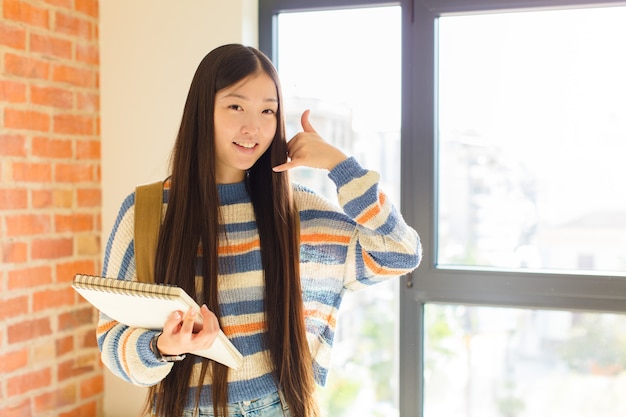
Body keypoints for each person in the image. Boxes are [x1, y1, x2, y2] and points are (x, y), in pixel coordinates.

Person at [98, 43, 421, 417]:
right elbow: (111, 340)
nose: (253, 127)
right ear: (203, 111)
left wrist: (339, 165)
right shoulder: (148, 212)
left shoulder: (296, 209)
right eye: (236, 106)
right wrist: (163, 347)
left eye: (268, 110)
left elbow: (400, 252)